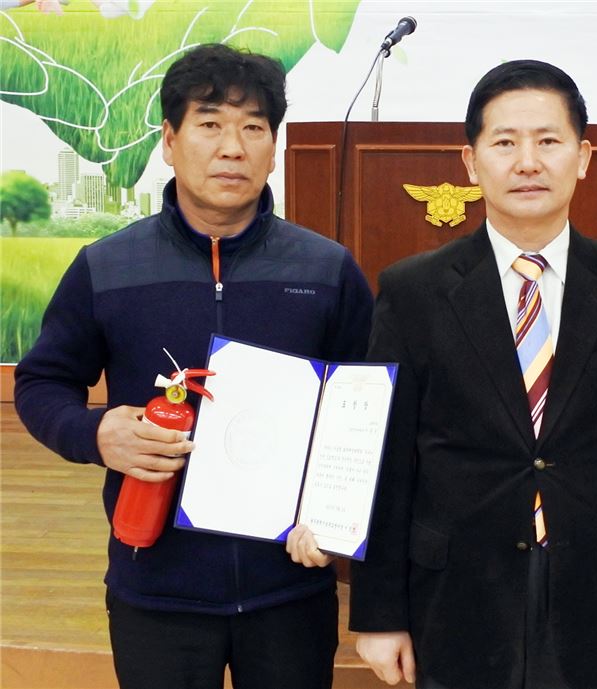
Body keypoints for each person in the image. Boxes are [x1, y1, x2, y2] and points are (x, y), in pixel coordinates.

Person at [14, 43, 373, 689]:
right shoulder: (108, 266)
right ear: (170, 141)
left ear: (273, 148)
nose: (232, 148)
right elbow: (42, 382)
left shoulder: (326, 269)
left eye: (253, 128)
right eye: (210, 124)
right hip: (155, 585)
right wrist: (94, 432)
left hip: (290, 586)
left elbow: (368, 407)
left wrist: (337, 513)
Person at [348, 59, 597, 689]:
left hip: (595, 593)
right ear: (471, 163)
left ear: (583, 158)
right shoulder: (414, 291)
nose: (528, 162)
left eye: (548, 141)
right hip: (455, 596)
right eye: (504, 143)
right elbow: (386, 461)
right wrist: (379, 613)